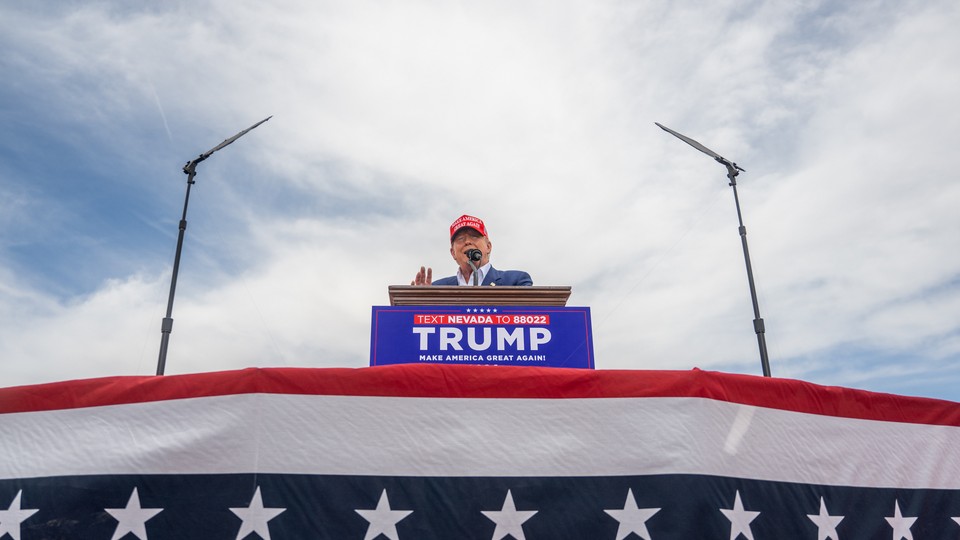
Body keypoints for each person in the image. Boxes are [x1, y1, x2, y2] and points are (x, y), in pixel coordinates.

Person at [412, 214, 533, 286]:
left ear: (488, 247)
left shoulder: (515, 281)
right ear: (453, 253)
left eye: (474, 236)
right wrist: (420, 301)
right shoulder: (436, 288)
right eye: (460, 239)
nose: (467, 241)